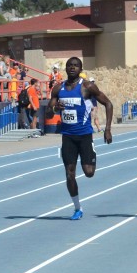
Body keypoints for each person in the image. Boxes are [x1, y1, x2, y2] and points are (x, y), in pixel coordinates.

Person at [46, 57, 113, 220]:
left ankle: (92, 155)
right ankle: (77, 208)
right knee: (69, 174)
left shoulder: (87, 87)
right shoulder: (58, 89)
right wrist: (55, 108)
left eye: (76, 66)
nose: (72, 68)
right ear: (66, 68)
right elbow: (48, 113)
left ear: (80, 69)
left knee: (89, 173)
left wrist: (108, 129)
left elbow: (108, 104)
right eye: (69, 65)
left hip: (84, 136)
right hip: (67, 137)